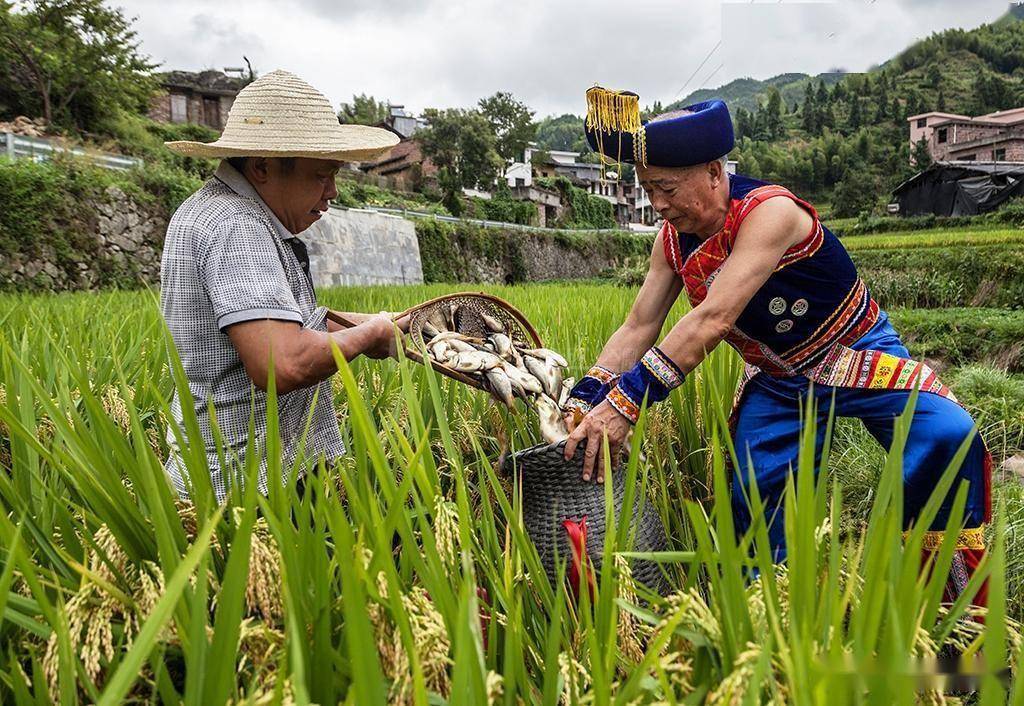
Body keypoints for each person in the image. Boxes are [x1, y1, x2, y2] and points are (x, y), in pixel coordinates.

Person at [562, 87, 991, 604]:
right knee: (758, 492)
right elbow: (637, 326)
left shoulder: (770, 213)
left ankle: (952, 612)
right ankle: (773, 617)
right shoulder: (672, 241)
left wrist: (628, 402)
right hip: (780, 377)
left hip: (852, 353)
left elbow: (713, 320)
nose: (656, 204)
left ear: (715, 173)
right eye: (648, 189)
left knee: (948, 435)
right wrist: (588, 396)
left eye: (667, 187)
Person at [160, 69, 403, 502]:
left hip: (255, 472)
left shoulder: (228, 215)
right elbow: (281, 361)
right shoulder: (236, 226)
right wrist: (370, 335)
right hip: (244, 488)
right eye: (321, 175)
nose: (332, 191)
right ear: (262, 166)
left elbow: (283, 326)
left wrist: (387, 323)